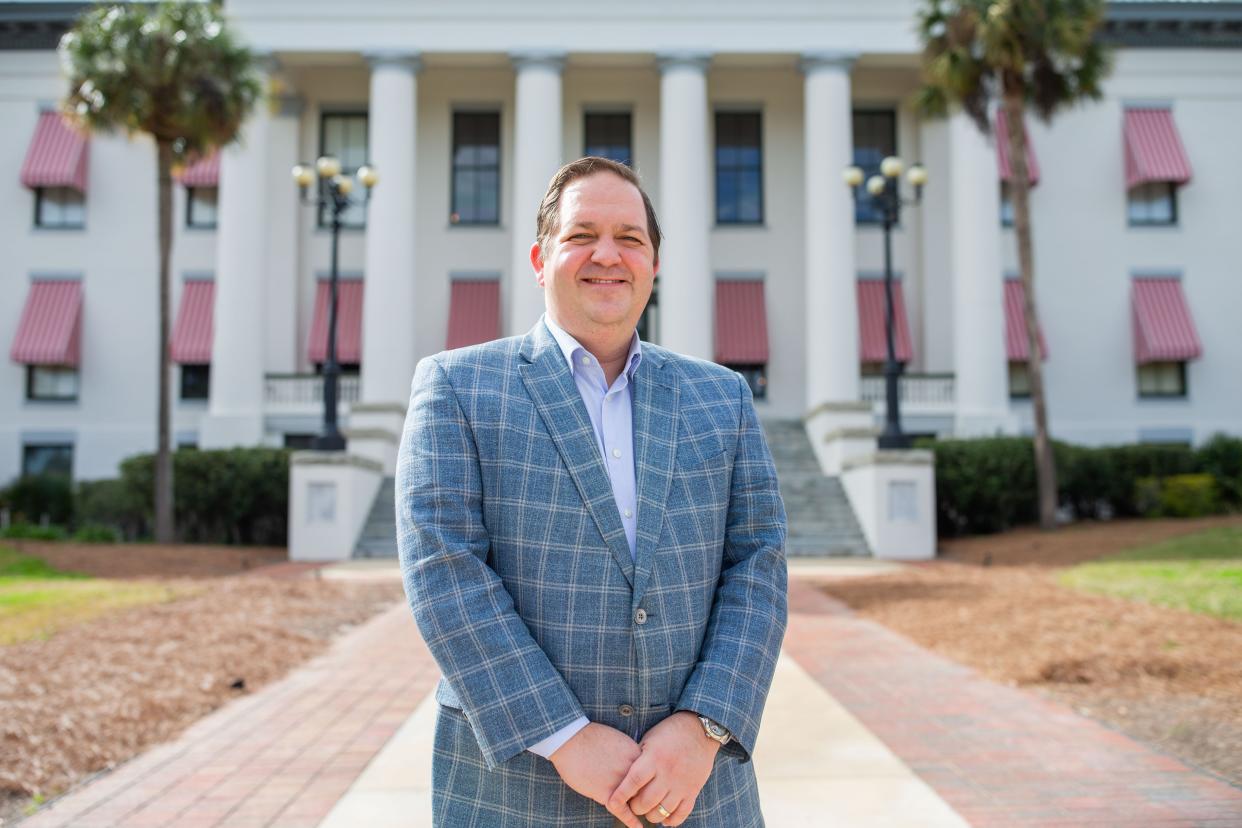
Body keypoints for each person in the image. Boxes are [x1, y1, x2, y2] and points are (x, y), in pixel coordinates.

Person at [396, 156, 787, 827]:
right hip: (514, 788)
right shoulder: (458, 387)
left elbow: (758, 564)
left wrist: (705, 725)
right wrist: (563, 735)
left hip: (695, 791)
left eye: (630, 239)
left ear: (654, 265)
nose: (608, 255)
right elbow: (444, 572)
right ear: (540, 257)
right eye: (582, 235)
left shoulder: (721, 397)